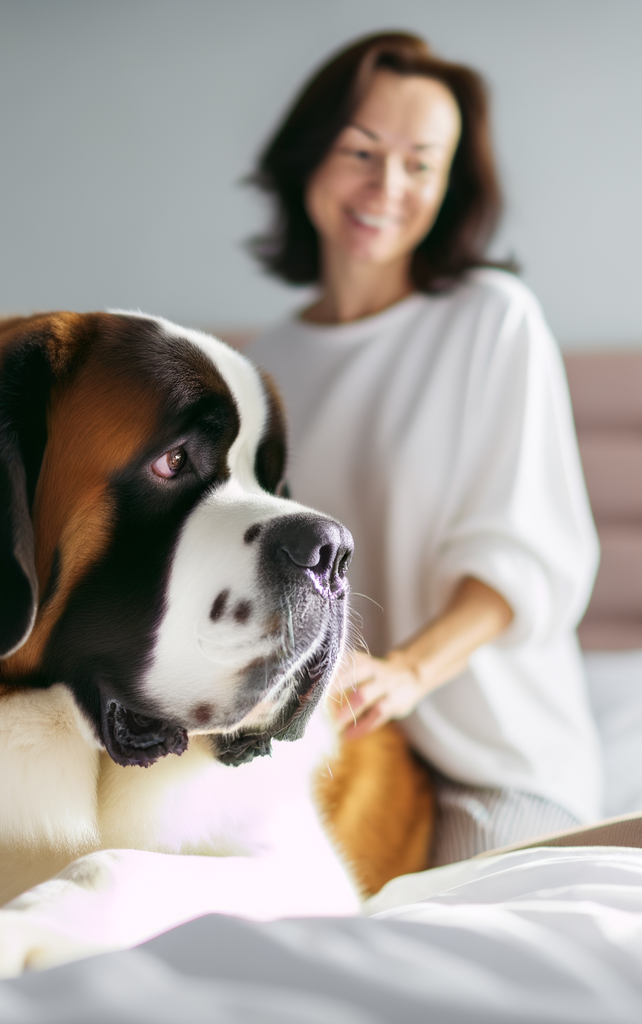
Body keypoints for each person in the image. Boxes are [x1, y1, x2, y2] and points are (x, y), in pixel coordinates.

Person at [245, 31, 602, 865]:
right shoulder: (269, 361)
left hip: (491, 757)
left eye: (420, 164)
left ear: (449, 186)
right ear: (309, 159)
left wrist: (405, 673)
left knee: (440, 945)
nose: (386, 187)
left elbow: (524, 559)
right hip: (339, 747)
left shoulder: (492, 318)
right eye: (362, 152)